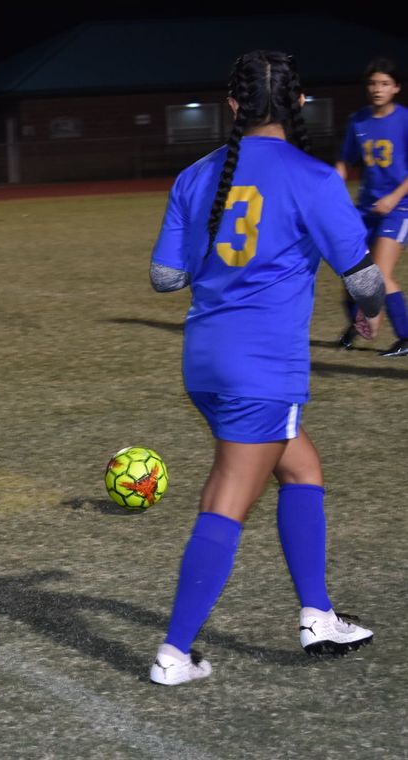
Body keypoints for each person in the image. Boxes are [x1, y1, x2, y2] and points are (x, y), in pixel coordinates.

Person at [147, 50, 381, 685]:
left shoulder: (197, 175)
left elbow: (165, 278)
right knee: (229, 493)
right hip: (262, 370)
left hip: (205, 363)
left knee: (301, 466)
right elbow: (363, 277)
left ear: (231, 106)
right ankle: (174, 653)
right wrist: (370, 313)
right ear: (300, 104)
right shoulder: (312, 177)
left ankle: (318, 613)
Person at [335, 58, 408, 356]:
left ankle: (405, 337)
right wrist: (334, 183)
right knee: (352, 273)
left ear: (396, 88)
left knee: (378, 273)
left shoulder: (404, 120)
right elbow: (344, 160)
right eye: (373, 83)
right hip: (365, 209)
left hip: (400, 207)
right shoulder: (358, 121)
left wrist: (393, 197)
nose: (378, 89)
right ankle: (357, 325)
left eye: (384, 84)